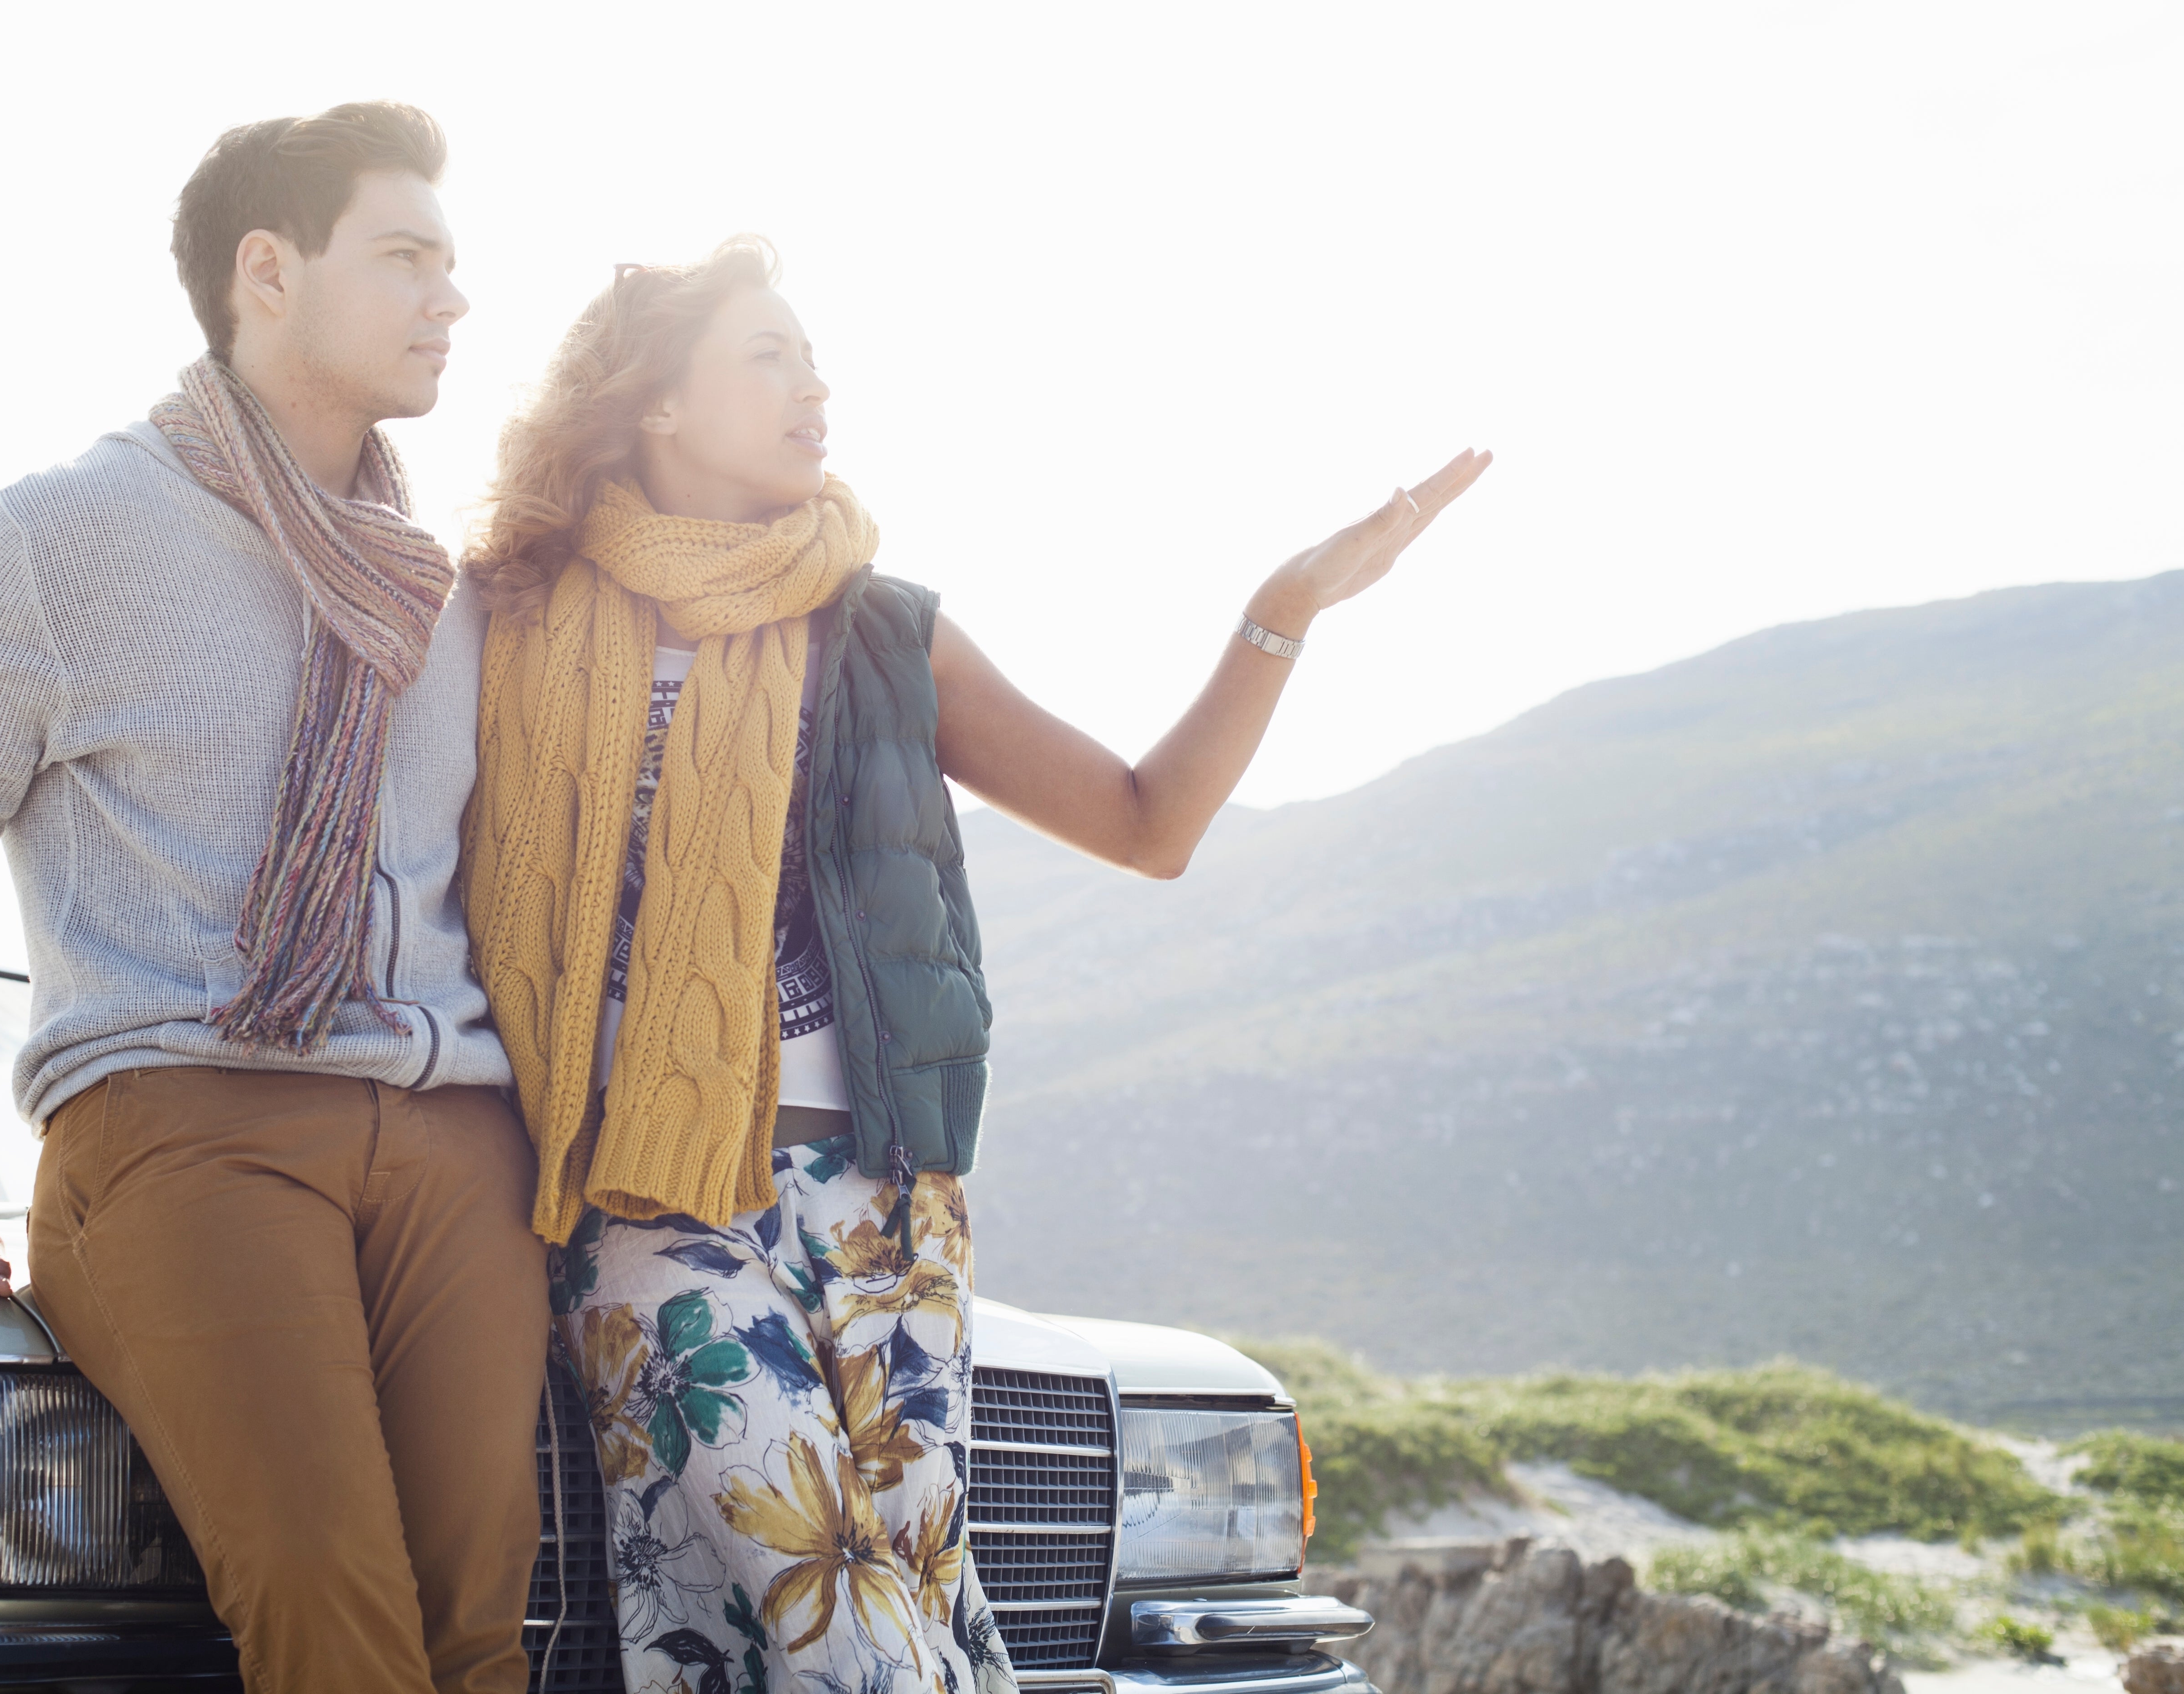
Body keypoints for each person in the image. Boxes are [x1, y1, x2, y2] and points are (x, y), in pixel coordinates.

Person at [457, 237, 1489, 1694]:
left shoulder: (887, 634)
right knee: (823, 1616)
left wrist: (1286, 610)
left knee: (911, 1609)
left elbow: (1148, 823)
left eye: (817, 359)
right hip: (645, 1204)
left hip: (887, 1207)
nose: (816, 387)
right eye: (769, 355)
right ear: (657, 403)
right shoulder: (508, 625)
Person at [0, 104, 548, 1694]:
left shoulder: (439, 580)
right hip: (188, 1123)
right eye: (406, 256)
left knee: (479, 1633)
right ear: (268, 272)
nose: (453, 297)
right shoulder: (65, 537)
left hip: (453, 1135)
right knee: (336, 1624)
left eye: (451, 261)